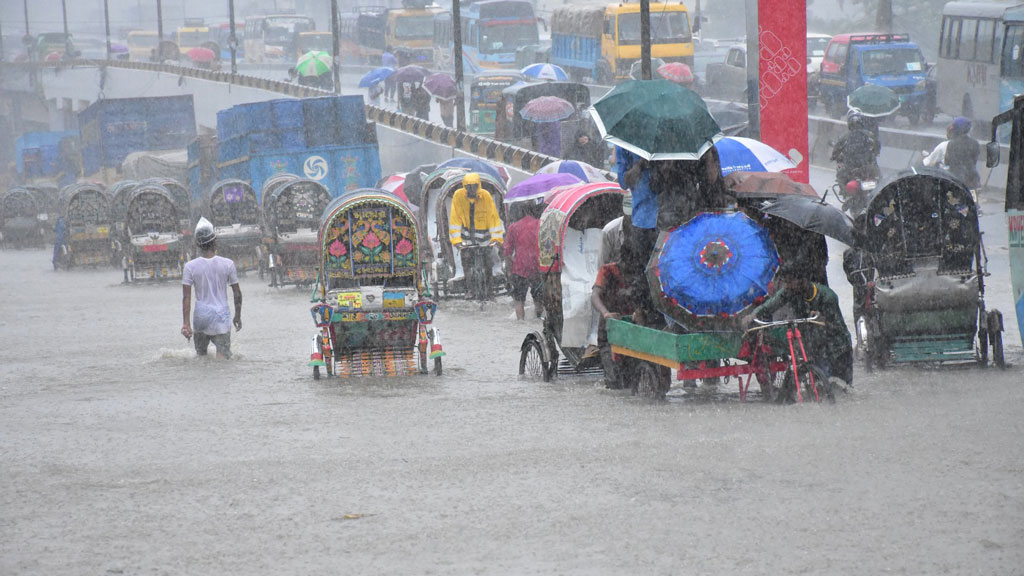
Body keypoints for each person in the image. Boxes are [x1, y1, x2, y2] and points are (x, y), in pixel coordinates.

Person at [744, 266, 853, 389]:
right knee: (817, 389)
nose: (787, 286)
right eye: (786, 282)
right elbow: (769, 306)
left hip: (838, 349)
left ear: (804, 281)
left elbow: (837, 327)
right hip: (815, 347)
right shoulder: (789, 292)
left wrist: (823, 319)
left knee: (843, 389)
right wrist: (753, 315)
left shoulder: (827, 297)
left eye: (790, 282)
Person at [181, 218, 242, 359]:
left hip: (201, 317)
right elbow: (237, 293)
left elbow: (186, 297)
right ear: (215, 242)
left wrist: (186, 323)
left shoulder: (190, 267)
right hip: (221, 316)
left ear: (198, 244)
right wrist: (238, 315)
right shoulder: (228, 264)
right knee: (223, 360)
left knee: (201, 358)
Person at [449, 172, 504, 299]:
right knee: (466, 261)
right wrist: (456, 240)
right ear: (465, 186)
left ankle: (490, 291)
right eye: (468, 186)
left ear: (478, 185)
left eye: (473, 186)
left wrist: (496, 238)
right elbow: (455, 218)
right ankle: (470, 289)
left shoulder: (486, 196)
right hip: (466, 236)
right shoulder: (458, 196)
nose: (471, 189)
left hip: (483, 236)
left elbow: (493, 217)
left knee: (488, 263)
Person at [591, 246, 636, 389]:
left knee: (632, 380)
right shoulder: (607, 271)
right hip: (609, 329)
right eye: (627, 268)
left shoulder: (639, 272)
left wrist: (640, 311)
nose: (629, 274)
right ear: (621, 262)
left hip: (631, 329)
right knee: (614, 382)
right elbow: (595, 295)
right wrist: (606, 313)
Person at [503, 201, 544, 320]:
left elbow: (507, 252)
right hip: (537, 267)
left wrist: (509, 271)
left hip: (519, 268)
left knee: (519, 300)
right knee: (538, 298)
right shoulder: (540, 224)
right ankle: (538, 318)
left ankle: (520, 322)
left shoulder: (513, 227)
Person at [831, 112, 881, 186]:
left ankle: (845, 192)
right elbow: (877, 146)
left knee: (841, 175)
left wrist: (833, 156)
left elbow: (836, 149)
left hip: (850, 166)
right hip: (867, 165)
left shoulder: (845, 136)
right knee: (878, 176)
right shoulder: (869, 135)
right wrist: (874, 153)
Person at [944, 116, 981, 190]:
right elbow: (974, 160)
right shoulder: (975, 143)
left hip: (955, 178)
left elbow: (947, 162)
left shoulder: (951, 144)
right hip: (972, 178)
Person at [598, 191, 632, 269]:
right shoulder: (609, 231)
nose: (631, 219)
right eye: (628, 215)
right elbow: (602, 265)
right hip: (614, 276)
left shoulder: (644, 230)